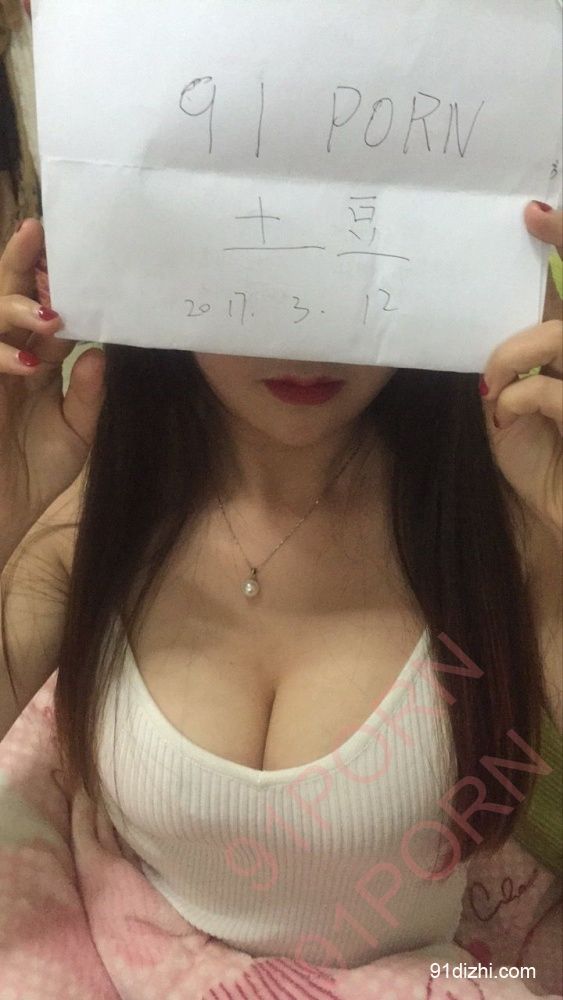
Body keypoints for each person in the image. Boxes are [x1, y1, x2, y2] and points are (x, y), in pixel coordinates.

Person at [0, 204, 561, 968]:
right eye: (253, 246)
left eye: (359, 248)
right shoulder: (90, 521)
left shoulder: (507, 526)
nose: (304, 330)